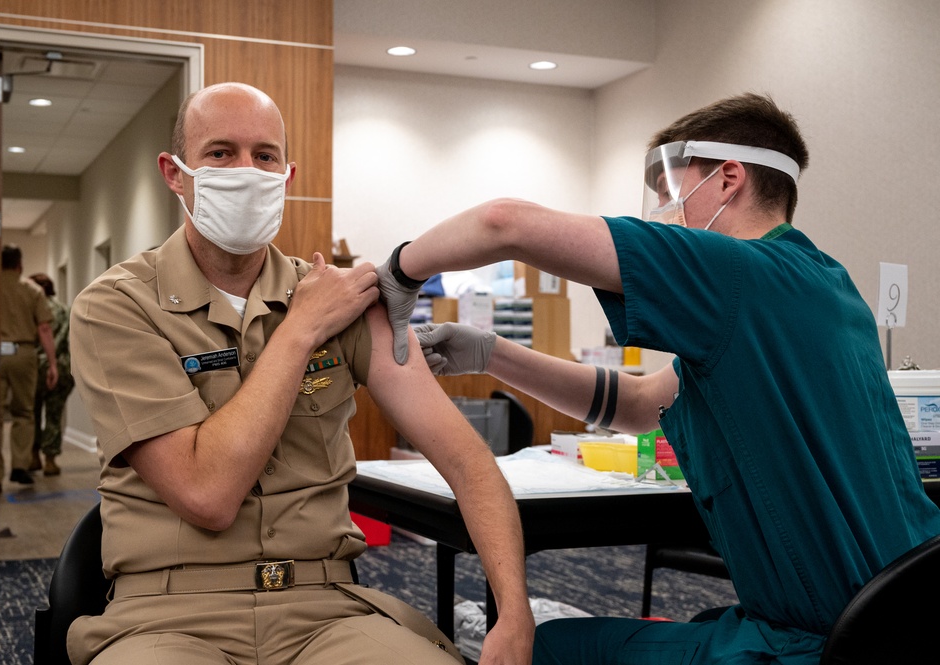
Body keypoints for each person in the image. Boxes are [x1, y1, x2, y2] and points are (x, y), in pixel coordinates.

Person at [375, 93, 940, 664]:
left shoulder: (734, 272)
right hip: (904, 618)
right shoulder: (823, 286)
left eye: (673, 193)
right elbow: (642, 404)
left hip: (820, 640)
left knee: (543, 650)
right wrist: (491, 353)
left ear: (729, 179)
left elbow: (504, 223)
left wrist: (399, 271)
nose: (667, 211)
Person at [68, 82, 534, 665]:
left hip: (325, 609)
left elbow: (468, 461)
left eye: (264, 156)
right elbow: (206, 494)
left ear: (286, 176)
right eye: (220, 153)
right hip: (168, 617)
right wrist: (300, 329)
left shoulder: (346, 302)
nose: (245, 171)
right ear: (175, 172)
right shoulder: (116, 307)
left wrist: (515, 616)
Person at [0, 245, 58, 485]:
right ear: (19, 264)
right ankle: (19, 467)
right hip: (23, 354)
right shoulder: (32, 290)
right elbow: (44, 328)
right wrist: (53, 363)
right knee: (24, 411)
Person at [29, 273, 74, 476]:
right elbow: (65, 340)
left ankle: (33, 456)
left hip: (34, 367)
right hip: (62, 368)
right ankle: (50, 459)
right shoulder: (64, 310)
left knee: (32, 414)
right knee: (54, 415)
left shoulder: (32, 309)